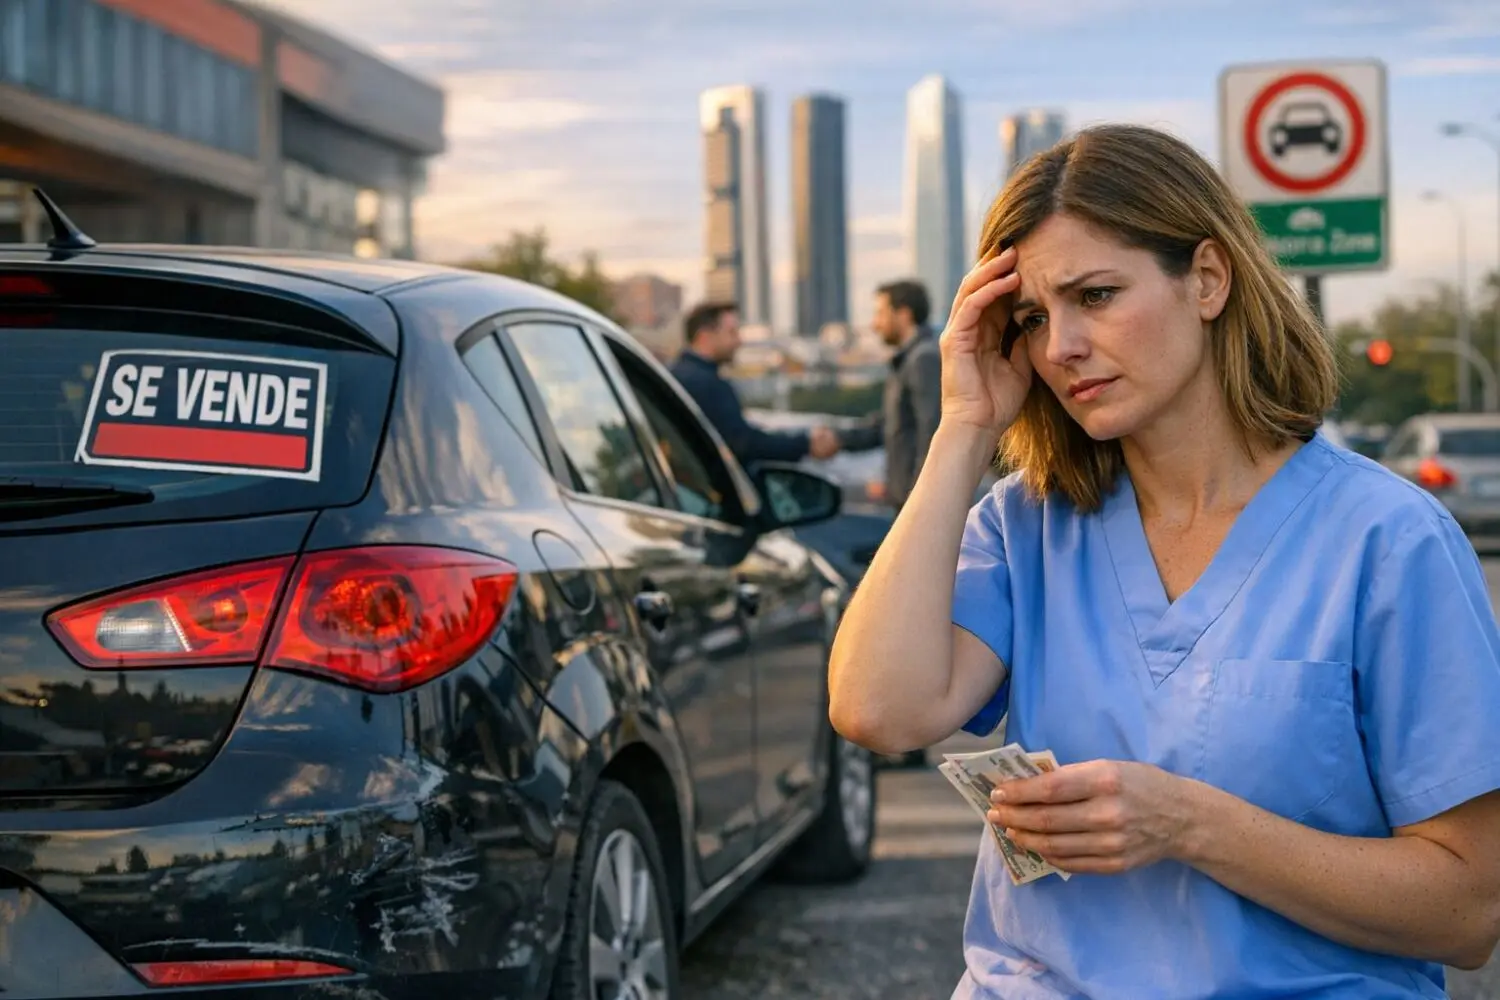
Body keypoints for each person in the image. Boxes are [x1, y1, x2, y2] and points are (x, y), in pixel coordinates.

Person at [827, 122, 1500, 999]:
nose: (1059, 345)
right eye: (1031, 317)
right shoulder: (1025, 527)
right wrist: (964, 430)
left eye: (1096, 295)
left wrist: (1189, 823)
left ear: (1209, 281)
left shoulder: (1387, 540)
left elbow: (1469, 912)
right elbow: (878, 711)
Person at [669, 301, 839, 468]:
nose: (739, 341)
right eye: (732, 333)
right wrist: (805, 444)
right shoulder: (707, 384)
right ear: (705, 337)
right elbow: (744, 443)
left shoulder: (676, 374)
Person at [837, 279, 944, 512]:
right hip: (911, 501)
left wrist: (921, 501)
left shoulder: (922, 359)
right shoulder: (910, 359)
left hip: (919, 506)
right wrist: (838, 440)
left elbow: (932, 433)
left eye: (880, 314)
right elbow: (891, 425)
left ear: (903, 314)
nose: (875, 324)